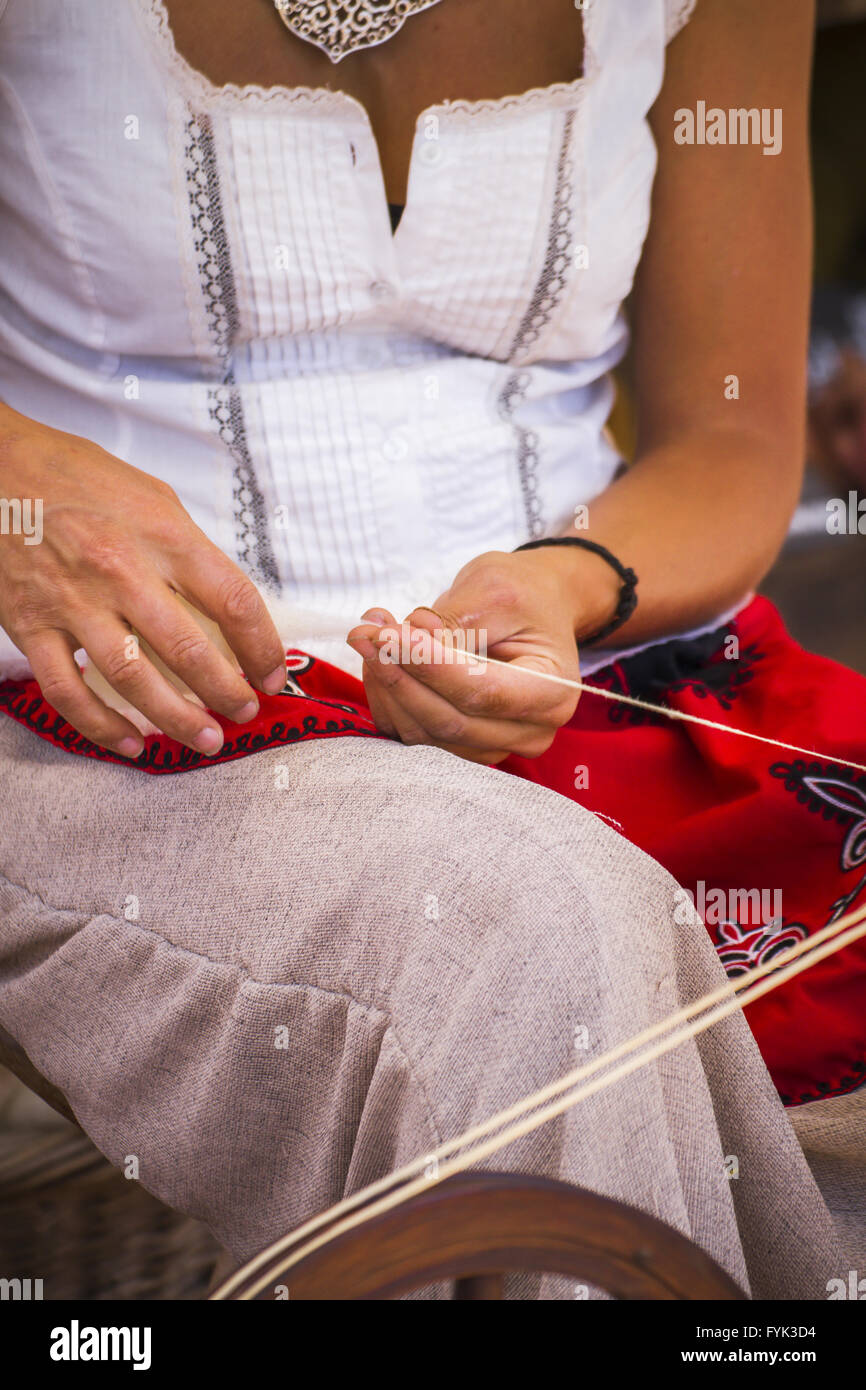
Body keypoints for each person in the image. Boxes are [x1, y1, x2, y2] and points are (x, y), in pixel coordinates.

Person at [0, 0, 862, 1298]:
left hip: (601, 672)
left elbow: (727, 441)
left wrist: (560, 587)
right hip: (107, 714)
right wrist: (23, 484)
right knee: (532, 931)